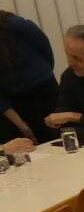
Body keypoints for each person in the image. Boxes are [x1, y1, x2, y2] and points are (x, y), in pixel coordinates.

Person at [0, 10, 57, 148]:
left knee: (55, 138)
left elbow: (44, 48)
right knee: (26, 146)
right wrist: (22, 126)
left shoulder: (14, 24)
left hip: (43, 90)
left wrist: (42, 72)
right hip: (12, 102)